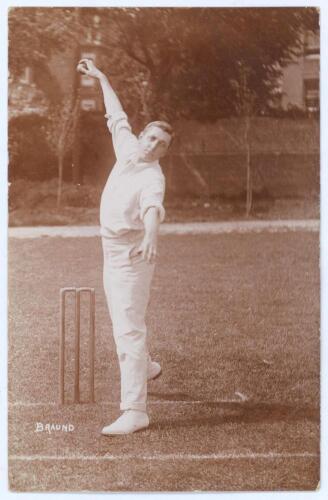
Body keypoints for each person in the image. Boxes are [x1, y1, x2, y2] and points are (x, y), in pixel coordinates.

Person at [77, 59, 173, 435]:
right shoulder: (129, 148)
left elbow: (152, 206)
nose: (153, 146)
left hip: (133, 255)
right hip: (111, 249)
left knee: (128, 330)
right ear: (144, 136)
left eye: (161, 145)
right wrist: (102, 76)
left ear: (165, 152)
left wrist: (151, 234)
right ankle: (147, 368)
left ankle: (136, 410)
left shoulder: (153, 176)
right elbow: (115, 115)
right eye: (151, 137)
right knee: (122, 321)